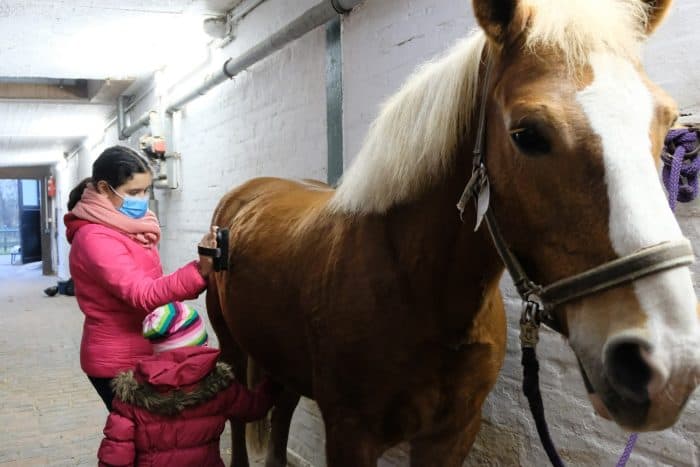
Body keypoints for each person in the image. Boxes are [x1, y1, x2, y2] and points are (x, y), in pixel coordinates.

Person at [64, 145, 218, 411]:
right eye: (134, 192)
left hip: (141, 350)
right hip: (117, 362)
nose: (143, 199)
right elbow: (142, 294)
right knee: (142, 444)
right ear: (103, 189)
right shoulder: (95, 237)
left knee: (149, 442)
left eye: (146, 190)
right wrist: (199, 271)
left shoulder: (126, 227)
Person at [97, 302, 278, 467]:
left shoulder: (131, 396)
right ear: (200, 344)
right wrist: (272, 382)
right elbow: (255, 408)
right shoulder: (220, 386)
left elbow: (116, 456)